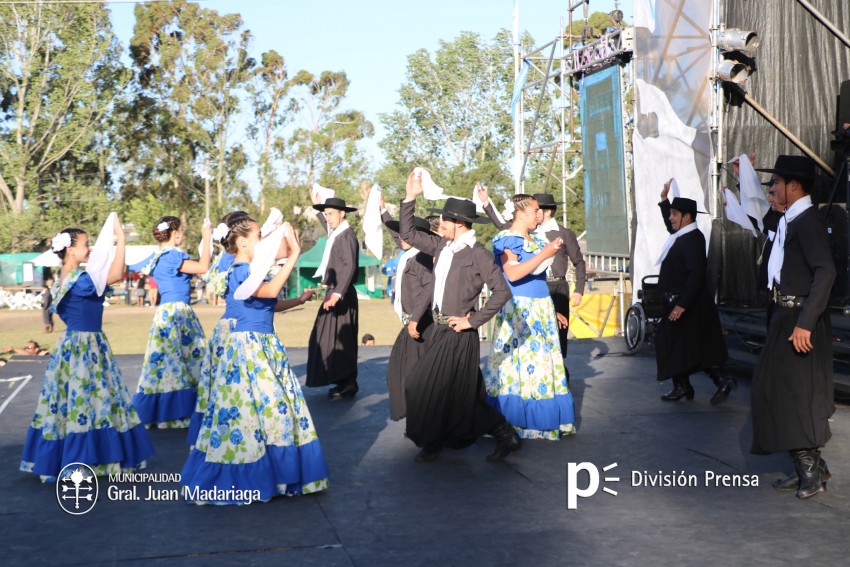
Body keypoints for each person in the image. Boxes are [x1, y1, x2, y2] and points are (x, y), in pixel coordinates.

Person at [181, 217, 329, 504]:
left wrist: (299, 300)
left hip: (263, 345)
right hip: (247, 349)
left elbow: (268, 304)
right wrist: (295, 253)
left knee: (271, 415)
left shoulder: (250, 271)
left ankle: (275, 476)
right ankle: (247, 477)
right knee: (261, 414)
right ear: (243, 242)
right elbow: (270, 291)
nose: (262, 239)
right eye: (259, 235)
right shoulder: (238, 271)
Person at [20, 218, 154, 481]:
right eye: (85, 244)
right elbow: (116, 274)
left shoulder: (64, 279)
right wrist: (121, 239)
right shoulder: (78, 279)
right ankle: (90, 458)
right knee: (92, 400)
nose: (90, 248)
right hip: (86, 347)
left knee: (74, 403)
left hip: (75, 346)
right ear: (70, 250)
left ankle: (72, 455)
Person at [400, 170, 517, 463]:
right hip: (438, 330)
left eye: (446, 220)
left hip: (458, 332)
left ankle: (502, 431)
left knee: (424, 387)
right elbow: (408, 234)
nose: (440, 224)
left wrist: (472, 321)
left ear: (460, 223)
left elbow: (502, 292)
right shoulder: (441, 245)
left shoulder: (478, 254)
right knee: (450, 393)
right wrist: (410, 198)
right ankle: (434, 441)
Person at [751, 155, 836, 500]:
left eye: (775, 183)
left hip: (801, 320)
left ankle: (810, 470)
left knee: (792, 396)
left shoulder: (808, 222)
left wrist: (805, 324)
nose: (771, 189)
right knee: (775, 392)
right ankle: (812, 466)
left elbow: (826, 272)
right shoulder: (790, 218)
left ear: (794, 185)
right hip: (783, 314)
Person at [484, 194, 576, 440]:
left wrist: (550, 307)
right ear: (522, 212)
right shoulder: (507, 239)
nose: (540, 215)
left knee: (543, 366)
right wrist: (545, 254)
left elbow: (536, 276)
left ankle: (547, 419)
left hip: (540, 307)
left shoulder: (534, 239)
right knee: (521, 364)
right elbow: (512, 275)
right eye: (536, 210)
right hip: (519, 309)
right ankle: (516, 421)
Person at [478, 186, 586, 372]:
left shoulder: (560, 234)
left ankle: (558, 373)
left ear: (547, 211)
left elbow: (579, 262)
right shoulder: (514, 236)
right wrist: (487, 203)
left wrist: (577, 290)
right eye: (534, 210)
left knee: (553, 344)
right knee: (522, 354)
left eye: (539, 210)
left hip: (553, 290)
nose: (537, 215)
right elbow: (504, 227)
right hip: (525, 297)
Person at [132, 216, 212, 429]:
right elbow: (204, 267)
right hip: (178, 312)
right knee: (186, 360)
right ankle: (182, 412)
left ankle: (160, 411)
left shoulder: (156, 257)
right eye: (182, 231)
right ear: (175, 233)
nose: (183, 235)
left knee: (164, 363)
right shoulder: (172, 256)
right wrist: (207, 237)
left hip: (165, 313)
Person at [654, 188, 732, 403]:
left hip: (689, 303)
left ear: (687, 216)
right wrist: (664, 201)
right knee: (677, 344)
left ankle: (718, 380)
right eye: (670, 214)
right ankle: (684, 386)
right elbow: (669, 226)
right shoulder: (682, 235)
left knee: (685, 344)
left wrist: (682, 305)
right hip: (680, 301)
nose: (670, 218)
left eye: (674, 214)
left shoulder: (693, 239)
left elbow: (696, 274)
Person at [381, 204, 436, 421]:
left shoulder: (421, 258)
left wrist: (414, 319)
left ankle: (421, 418)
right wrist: (383, 212)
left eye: (406, 234)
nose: (400, 237)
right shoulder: (409, 253)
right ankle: (416, 416)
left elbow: (428, 290)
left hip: (420, 324)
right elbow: (396, 233)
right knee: (401, 373)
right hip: (410, 323)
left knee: (412, 375)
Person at [305, 195, 360, 400]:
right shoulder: (337, 232)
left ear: (342, 213)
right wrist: (319, 209)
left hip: (341, 293)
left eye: (330, 214)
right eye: (326, 214)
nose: (328, 218)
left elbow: (350, 266)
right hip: (336, 291)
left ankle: (348, 383)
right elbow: (327, 224)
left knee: (341, 340)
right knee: (327, 338)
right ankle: (341, 380)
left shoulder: (346, 236)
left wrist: (337, 294)